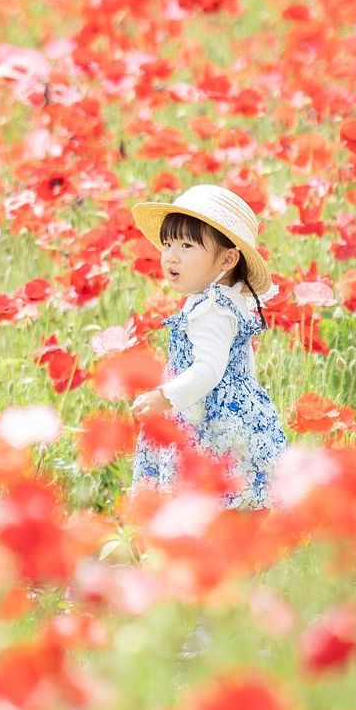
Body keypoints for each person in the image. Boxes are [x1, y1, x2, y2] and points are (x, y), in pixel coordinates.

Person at [128, 184, 288, 510]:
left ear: (228, 258)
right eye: (168, 244)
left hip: (208, 427)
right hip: (235, 422)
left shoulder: (211, 309)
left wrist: (164, 397)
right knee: (239, 506)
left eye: (186, 245)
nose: (171, 255)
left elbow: (208, 371)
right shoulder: (227, 299)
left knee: (206, 508)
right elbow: (242, 368)